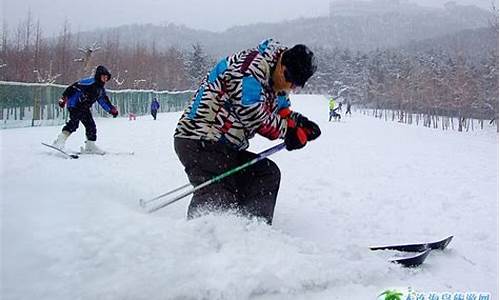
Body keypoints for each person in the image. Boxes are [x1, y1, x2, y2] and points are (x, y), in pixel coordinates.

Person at [174, 39, 321, 225]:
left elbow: (281, 110)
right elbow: (252, 113)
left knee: (266, 174)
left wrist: (300, 122)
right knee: (219, 195)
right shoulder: (249, 68)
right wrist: (288, 131)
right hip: (199, 138)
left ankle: (252, 229)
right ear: (282, 63)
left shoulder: (278, 79)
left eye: (296, 85)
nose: (290, 87)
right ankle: (198, 236)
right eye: (289, 79)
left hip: (226, 146)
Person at [52, 65, 118, 154]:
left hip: (84, 108)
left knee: (91, 126)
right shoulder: (89, 82)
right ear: (99, 75)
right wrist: (64, 98)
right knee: (74, 123)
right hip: (74, 104)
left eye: (107, 77)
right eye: (103, 76)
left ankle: (90, 146)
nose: (105, 79)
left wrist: (111, 110)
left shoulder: (100, 90)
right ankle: (59, 141)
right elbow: (73, 87)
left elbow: (103, 101)